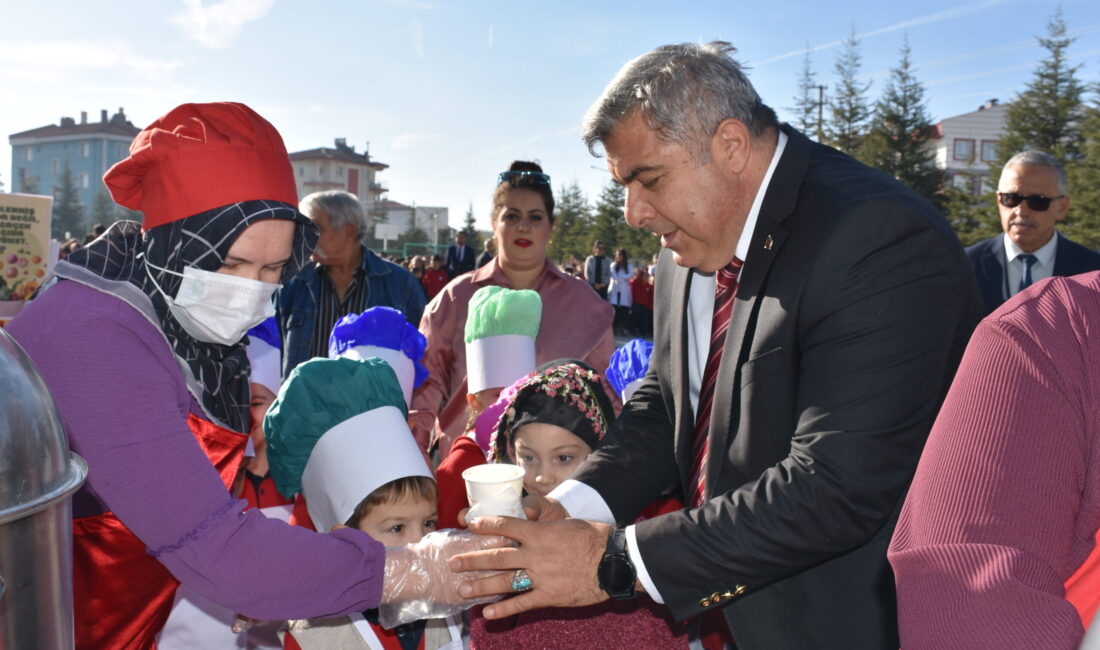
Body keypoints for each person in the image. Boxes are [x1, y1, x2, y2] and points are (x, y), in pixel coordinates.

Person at [450, 41, 982, 649]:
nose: (633, 213)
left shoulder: (875, 237)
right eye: (624, 185)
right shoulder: (688, 241)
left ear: (730, 145)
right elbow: (669, 398)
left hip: (848, 623)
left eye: (647, 180)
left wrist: (613, 561)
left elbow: (837, 486)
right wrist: (576, 506)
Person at [6, 102, 494, 648]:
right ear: (177, 242)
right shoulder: (94, 337)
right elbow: (218, 550)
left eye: (270, 270)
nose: (248, 290)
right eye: (231, 265)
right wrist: (413, 571)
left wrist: (280, 577)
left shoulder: (186, 317)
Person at [889, 271, 1100, 648]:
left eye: (1037, 204)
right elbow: (966, 596)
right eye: (1013, 203)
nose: (1022, 209)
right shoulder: (1056, 329)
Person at [472, 360, 689, 649]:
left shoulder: (630, 548)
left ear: (600, 457)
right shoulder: (509, 537)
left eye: (563, 458)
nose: (541, 477)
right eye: (528, 457)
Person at [410, 161, 617, 455]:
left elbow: (609, 401)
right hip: (465, 470)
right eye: (512, 215)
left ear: (551, 227)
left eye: (535, 217)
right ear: (494, 223)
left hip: (556, 477)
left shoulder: (586, 306)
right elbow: (424, 390)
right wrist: (415, 466)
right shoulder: (455, 298)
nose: (524, 226)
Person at [264, 357, 464, 650]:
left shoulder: (448, 609)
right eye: (396, 528)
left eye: (429, 523)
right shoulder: (313, 636)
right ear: (344, 538)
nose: (420, 542)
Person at [277, 190, 425, 379]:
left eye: (316, 229)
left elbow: (418, 355)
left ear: (349, 231)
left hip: (372, 406)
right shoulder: (293, 284)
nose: (306, 238)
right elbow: (275, 355)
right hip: (303, 406)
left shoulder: (400, 284)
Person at [435, 285, 542, 530]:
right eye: (498, 394)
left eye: (520, 392)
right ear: (473, 400)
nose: (511, 403)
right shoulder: (461, 463)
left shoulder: (538, 453)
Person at [966, 150, 1100, 316]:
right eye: (1011, 198)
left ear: (1062, 207)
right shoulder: (966, 266)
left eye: (1037, 201)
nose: (1021, 211)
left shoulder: (1092, 272)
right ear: (998, 201)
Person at [607, 247, 633, 335]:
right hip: (614, 289)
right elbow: (614, 275)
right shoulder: (613, 265)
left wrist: (620, 277)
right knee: (614, 309)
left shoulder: (628, 266)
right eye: (618, 255)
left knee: (623, 310)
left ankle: (621, 328)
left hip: (624, 291)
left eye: (621, 255)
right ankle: (613, 328)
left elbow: (630, 275)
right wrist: (623, 278)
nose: (619, 257)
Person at [629, 266, 654, 338]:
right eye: (646, 277)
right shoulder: (637, 282)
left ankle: (644, 332)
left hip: (644, 305)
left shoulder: (647, 285)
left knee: (644, 320)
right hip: (637, 303)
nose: (647, 279)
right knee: (635, 318)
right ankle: (633, 331)